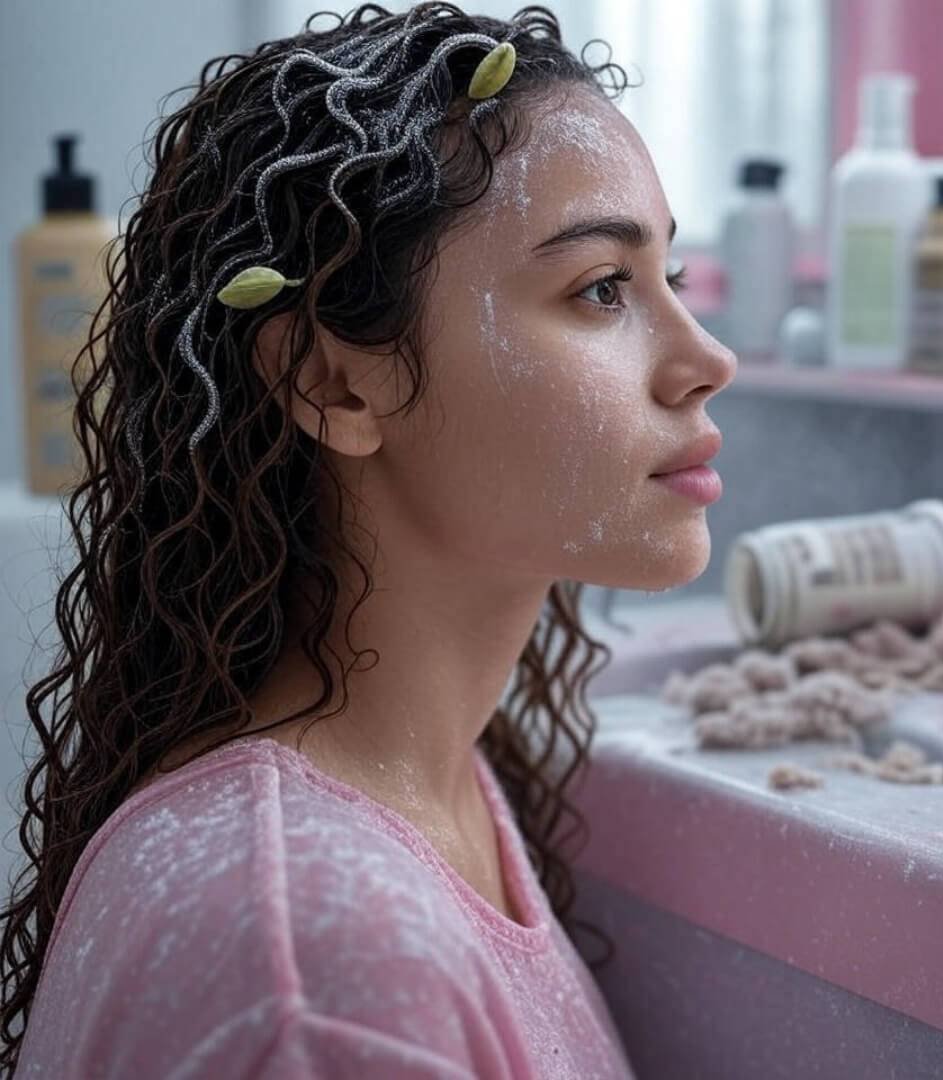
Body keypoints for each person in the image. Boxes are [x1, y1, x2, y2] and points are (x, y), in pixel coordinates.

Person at [2, 3, 736, 1076]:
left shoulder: (416, 786)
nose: (708, 358)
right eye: (600, 289)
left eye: (668, 277)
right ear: (331, 379)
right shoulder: (323, 978)